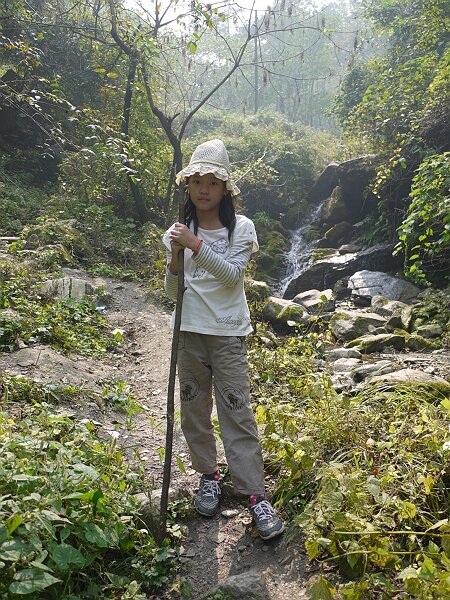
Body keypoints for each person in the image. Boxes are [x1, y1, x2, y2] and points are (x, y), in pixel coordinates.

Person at [162, 139, 284, 540]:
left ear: (224, 190)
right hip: (189, 333)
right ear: (188, 186)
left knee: (237, 411)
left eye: (212, 182)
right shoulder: (178, 231)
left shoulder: (242, 228)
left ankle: (254, 495)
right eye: (196, 180)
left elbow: (232, 276)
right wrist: (176, 256)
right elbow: (170, 290)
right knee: (194, 410)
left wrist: (195, 246)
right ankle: (209, 477)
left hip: (229, 334)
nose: (203, 188)